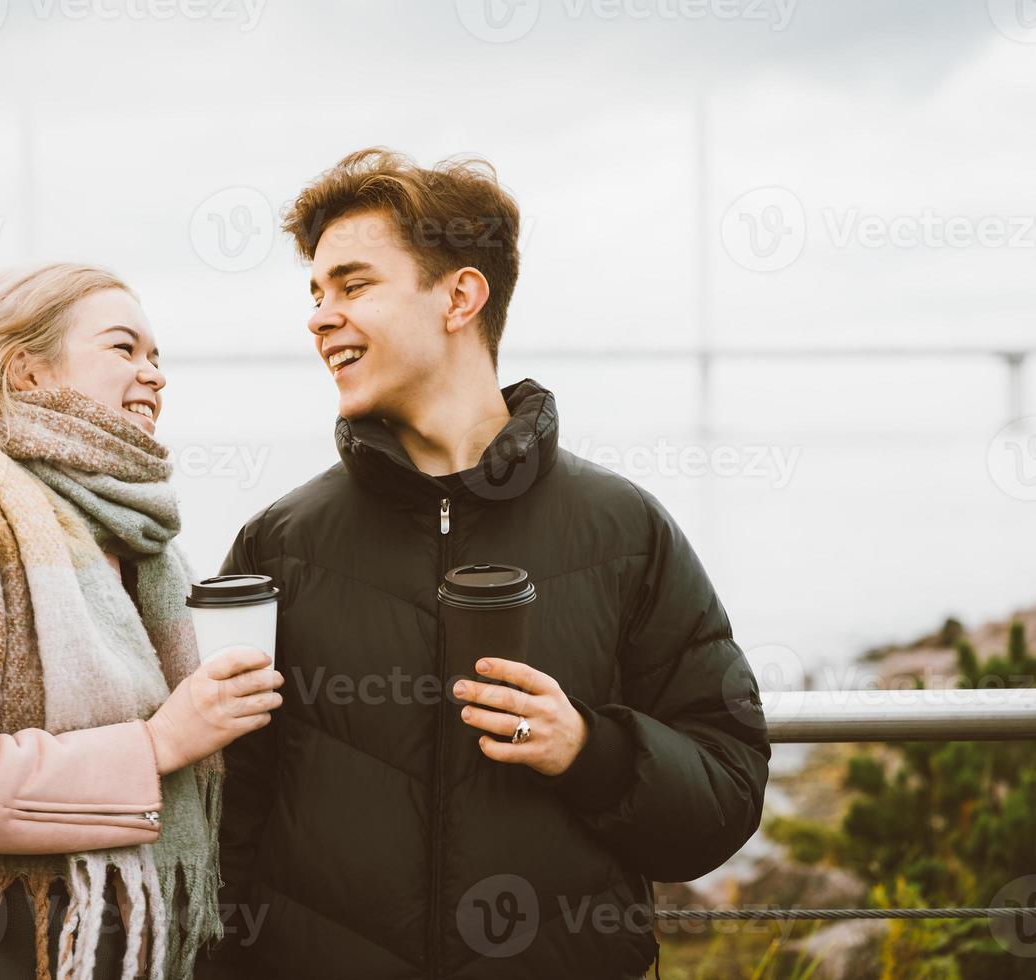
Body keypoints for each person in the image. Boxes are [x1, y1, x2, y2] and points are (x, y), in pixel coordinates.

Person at [195, 149, 772, 979]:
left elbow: (725, 793)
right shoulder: (277, 546)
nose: (320, 318)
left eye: (354, 286)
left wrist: (590, 750)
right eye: (316, 295)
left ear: (460, 297)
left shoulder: (627, 533)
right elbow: (225, 819)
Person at [0, 263, 285, 980]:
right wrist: (159, 743)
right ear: (26, 372)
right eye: (124, 349)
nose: (155, 374)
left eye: (158, 356)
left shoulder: (137, 540)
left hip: (129, 937)